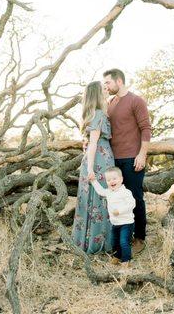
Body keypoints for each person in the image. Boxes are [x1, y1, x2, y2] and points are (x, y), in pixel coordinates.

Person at [103, 68, 151, 255]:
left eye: (108, 82)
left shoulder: (136, 101)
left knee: (135, 198)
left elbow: (146, 128)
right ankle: (122, 237)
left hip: (132, 158)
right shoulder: (110, 103)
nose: (105, 86)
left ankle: (139, 237)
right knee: (116, 199)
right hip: (113, 161)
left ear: (119, 81)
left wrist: (142, 154)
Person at [72, 81, 114, 254]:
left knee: (98, 200)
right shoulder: (98, 114)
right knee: (99, 200)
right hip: (98, 162)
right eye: (103, 89)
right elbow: (94, 143)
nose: (107, 91)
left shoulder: (97, 113)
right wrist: (90, 169)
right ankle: (96, 244)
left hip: (99, 159)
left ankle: (92, 241)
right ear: (97, 94)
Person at [89, 166, 136, 268]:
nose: (111, 181)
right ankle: (117, 256)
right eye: (109, 180)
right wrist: (93, 181)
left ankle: (126, 260)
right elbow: (100, 191)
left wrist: (119, 211)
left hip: (126, 223)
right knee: (114, 242)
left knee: (124, 242)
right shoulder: (109, 192)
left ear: (121, 179)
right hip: (115, 223)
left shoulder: (126, 192)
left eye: (114, 179)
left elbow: (132, 204)